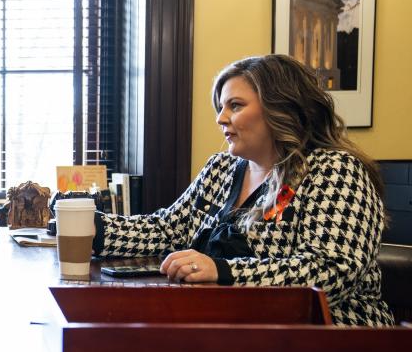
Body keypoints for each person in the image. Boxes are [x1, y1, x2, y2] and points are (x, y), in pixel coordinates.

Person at [93, 54, 393, 326]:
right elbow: (168, 230)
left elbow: (329, 273)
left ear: (281, 108)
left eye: (234, 106)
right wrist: (93, 228)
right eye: (220, 107)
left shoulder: (335, 171)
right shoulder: (221, 168)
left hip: (332, 341)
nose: (220, 118)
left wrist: (224, 271)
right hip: (237, 329)